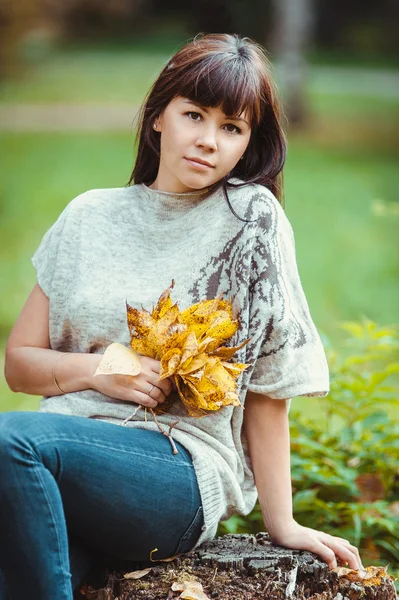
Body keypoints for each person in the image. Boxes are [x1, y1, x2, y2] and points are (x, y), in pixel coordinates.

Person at [1, 32, 364, 600]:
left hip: (173, 470)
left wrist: (282, 523)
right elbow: (20, 364)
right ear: (157, 119)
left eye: (232, 127)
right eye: (194, 115)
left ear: (248, 144)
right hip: (65, 457)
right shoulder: (87, 217)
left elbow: (271, 387)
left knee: (7, 439)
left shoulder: (249, 219)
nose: (208, 141)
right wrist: (101, 374)